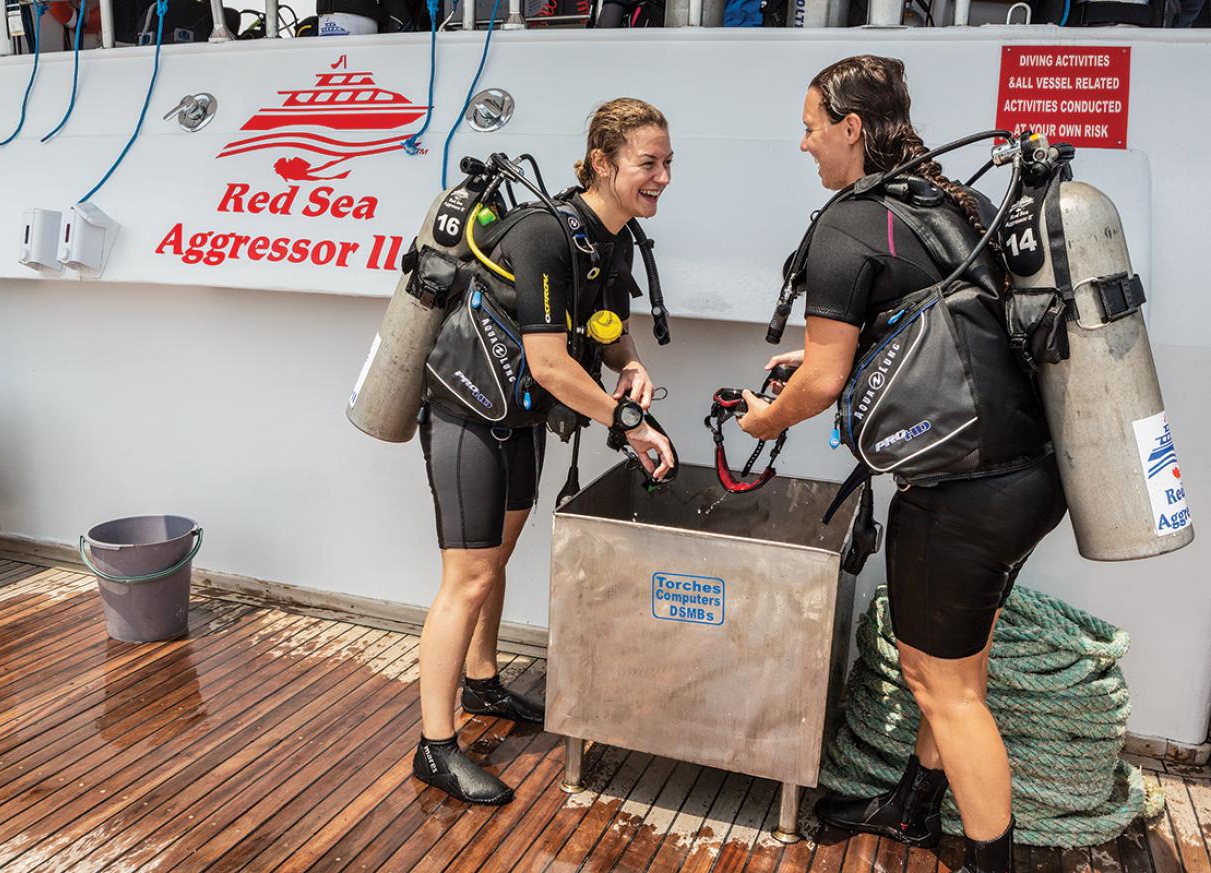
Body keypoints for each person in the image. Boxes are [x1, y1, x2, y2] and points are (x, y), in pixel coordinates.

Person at [737, 56, 1066, 873]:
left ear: (851, 127)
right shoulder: (956, 203)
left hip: (961, 495)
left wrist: (765, 416)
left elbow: (822, 379)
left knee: (941, 687)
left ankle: (994, 863)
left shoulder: (850, 222)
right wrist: (811, 367)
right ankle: (916, 808)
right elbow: (925, 325)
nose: (804, 140)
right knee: (960, 667)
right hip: (1030, 476)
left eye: (812, 123)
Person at [413, 97, 677, 806]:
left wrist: (630, 360)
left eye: (668, 162)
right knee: (466, 577)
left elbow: (605, 319)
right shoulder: (542, 234)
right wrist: (630, 422)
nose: (662, 177)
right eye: (648, 163)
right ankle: (434, 747)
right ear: (602, 162)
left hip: (519, 417)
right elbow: (555, 363)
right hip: (466, 412)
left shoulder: (614, 237)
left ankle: (483, 681)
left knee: (495, 561)